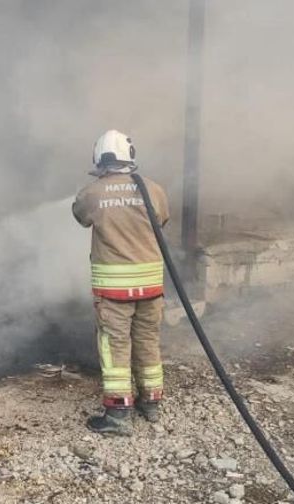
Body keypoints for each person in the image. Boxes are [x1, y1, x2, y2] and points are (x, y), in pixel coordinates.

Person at [72, 130, 170, 436]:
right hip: (151, 287)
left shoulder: (93, 193)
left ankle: (118, 415)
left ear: (99, 158)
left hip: (114, 290)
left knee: (114, 346)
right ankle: (151, 403)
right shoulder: (153, 190)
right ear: (131, 155)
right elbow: (162, 220)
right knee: (147, 341)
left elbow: (80, 217)